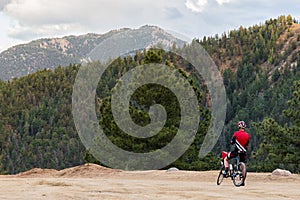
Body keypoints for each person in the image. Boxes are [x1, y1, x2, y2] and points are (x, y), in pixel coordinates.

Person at [223, 120, 250, 186]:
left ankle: (226, 171)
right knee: (243, 164)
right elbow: (247, 144)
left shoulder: (236, 134)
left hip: (236, 151)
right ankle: (243, 181)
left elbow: (232, 142)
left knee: (226, 159)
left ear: (238, 127)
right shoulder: (247, 135)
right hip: (243, 152)